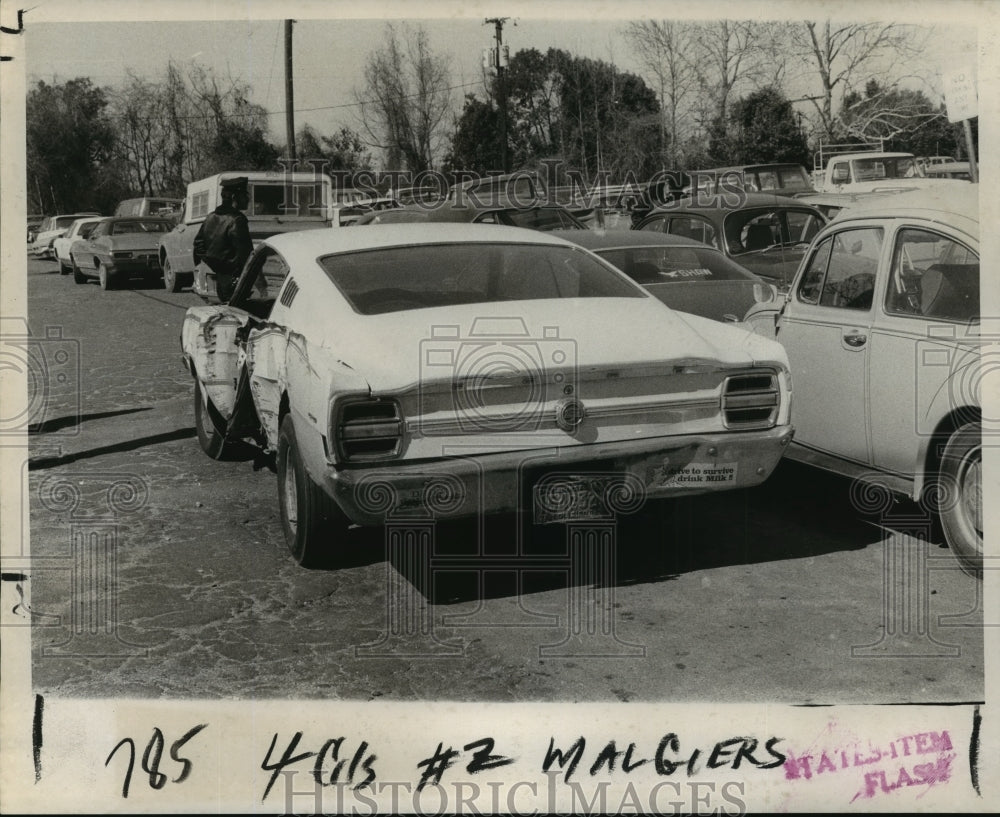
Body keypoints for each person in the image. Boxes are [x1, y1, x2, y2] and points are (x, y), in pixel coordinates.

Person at [193, 176, 253, 302]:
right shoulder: (237, 220)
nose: (248, 199)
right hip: (234, 281)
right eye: (245, 195)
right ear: (234, 197)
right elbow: (245, 255)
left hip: (218, 279)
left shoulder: (210, 217)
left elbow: (198, 245)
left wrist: (215, 265)